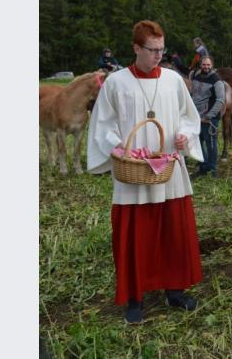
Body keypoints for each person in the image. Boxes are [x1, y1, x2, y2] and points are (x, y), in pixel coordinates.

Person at [87, 20, 204, 324]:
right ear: (136, 48)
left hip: (168, 169)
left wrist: (184, 135)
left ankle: (175, 290)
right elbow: (103, 124)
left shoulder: (173, 80)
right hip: (134, 171)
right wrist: (117, 147)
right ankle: (135, 296)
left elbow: (188, 117)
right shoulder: (116, 83)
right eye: (152, 50)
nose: (158, 55)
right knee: (136, 236)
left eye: (161, 49)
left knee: (173, 232)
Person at [191, 56, 225, 178]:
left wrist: (209, 116)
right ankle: (203, 166)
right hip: (197, 116)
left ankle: (213, 168)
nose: (206, 67)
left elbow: (220, 100)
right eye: (204, 64)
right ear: (200, 65)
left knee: (211, 143)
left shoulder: (217, 80)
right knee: (198, 142)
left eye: (208, 65)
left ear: (212, 65)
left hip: (209, 118)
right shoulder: (196, 77)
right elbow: (194, 94)